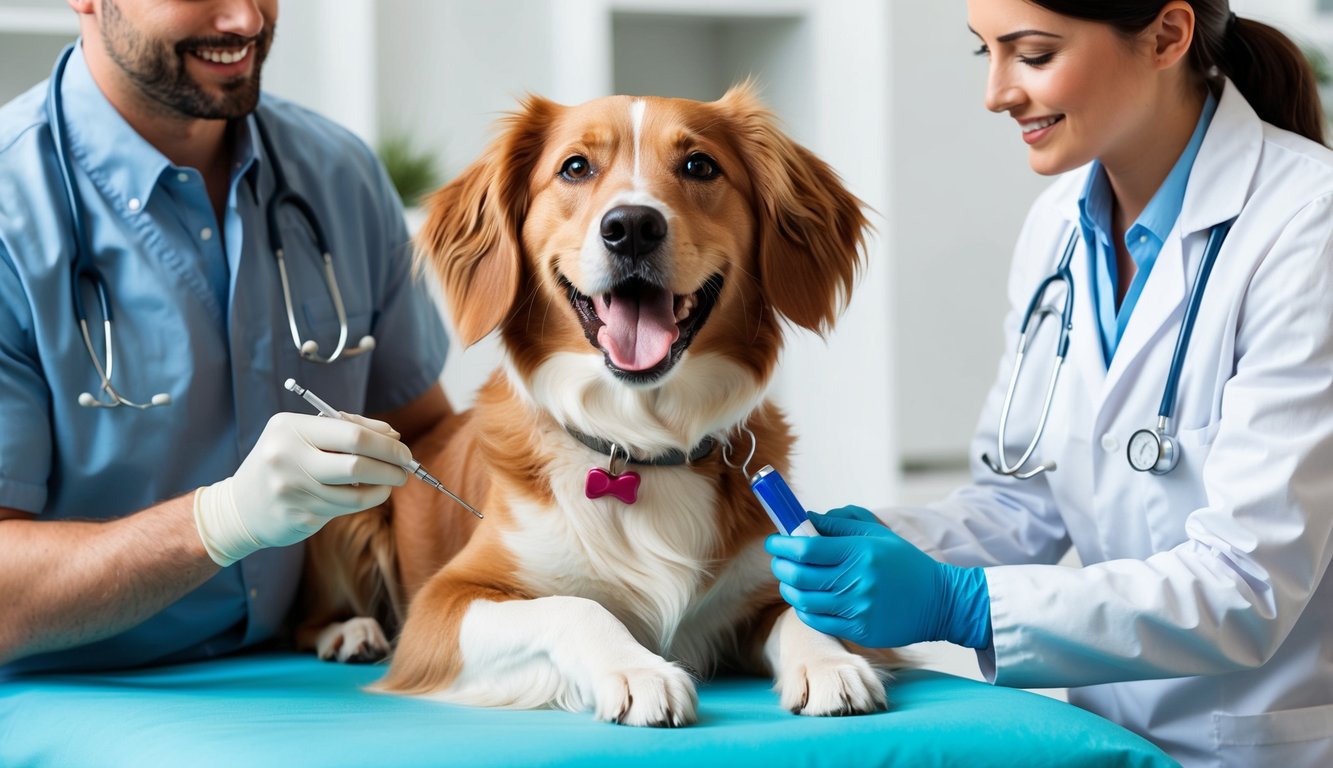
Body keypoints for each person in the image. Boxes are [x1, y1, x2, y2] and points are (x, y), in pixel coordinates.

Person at [766, 1, 1333, 765]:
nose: (996, 93)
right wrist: (884, 542)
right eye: (984, 55)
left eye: (1031, 55)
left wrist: (954, 604)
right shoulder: (1057, 227)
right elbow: (1022, 500)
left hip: (1258, 746)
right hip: (1102, 741)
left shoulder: (1307, 225)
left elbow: (1247, 585)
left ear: (1167, 35)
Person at [0, 0, 451, 675]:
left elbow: (421, 441)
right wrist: (223, 520)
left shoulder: (338, 175)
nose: (244, 20)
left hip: (308, 660)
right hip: (73, 685)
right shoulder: (12, 207)